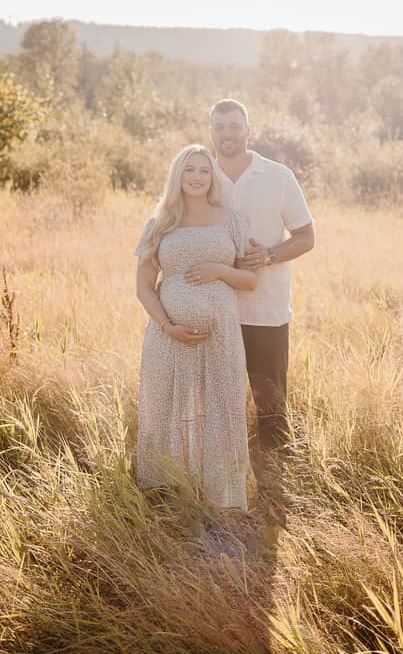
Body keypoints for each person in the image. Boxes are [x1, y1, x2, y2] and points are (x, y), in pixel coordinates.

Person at [133, 143, 258, 513]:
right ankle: (170, 495)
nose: (197, 178)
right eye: (190, 170)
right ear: (178, 177)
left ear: (212, 176)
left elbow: (250, 280)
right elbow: (143, 286)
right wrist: (169, 326)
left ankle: (222, 500)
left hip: (221, 336)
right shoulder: (159, 223)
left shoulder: (230, 219)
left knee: (222, 407)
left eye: (204, 171)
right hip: (168, 338)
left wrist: (219, 270)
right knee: (166, 409)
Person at [207, 98, 315, 524]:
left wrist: (268, 256)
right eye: (219, 127)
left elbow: (306, 236)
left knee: (270, 408)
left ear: (247, 130)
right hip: (214, 311)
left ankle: (272, 498)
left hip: (266, 313)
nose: (227, 134)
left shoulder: (277, 176)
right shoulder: (200, 174)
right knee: (219, 405)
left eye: (234, 125)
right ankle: (222, 498)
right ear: (211, 132)